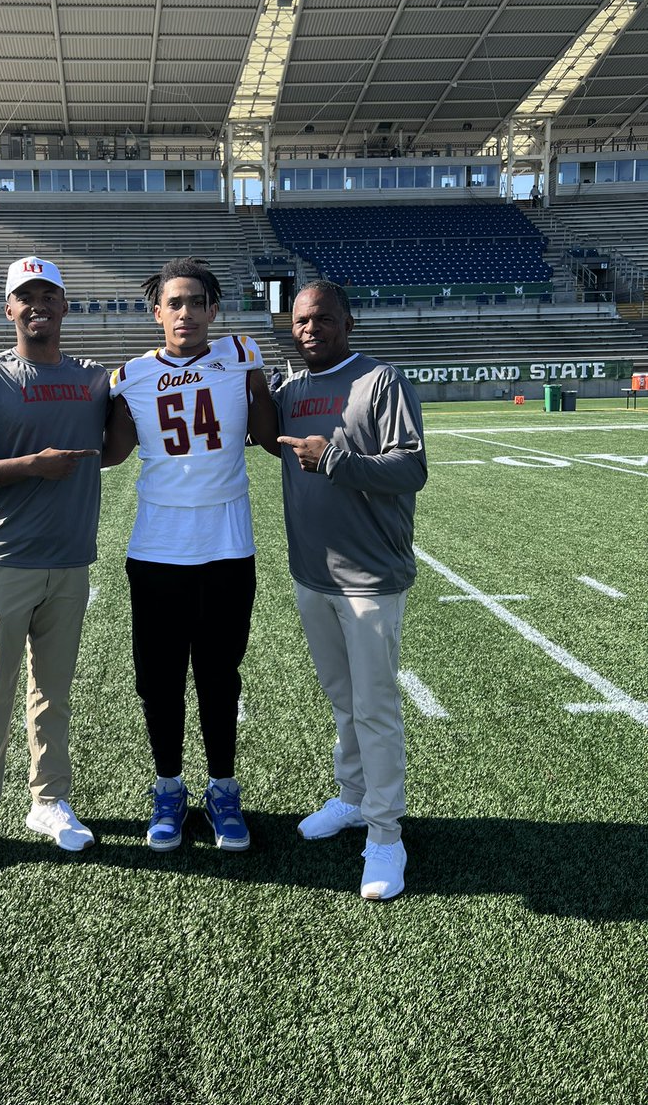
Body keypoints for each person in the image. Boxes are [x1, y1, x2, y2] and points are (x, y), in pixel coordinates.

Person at [0, 255, 109, 887]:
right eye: (23, 296)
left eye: (47, 295)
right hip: (2, 562)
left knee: (52, 697)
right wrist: (30, 465)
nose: (36, 305)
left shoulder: (92, 380)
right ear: (8, 309)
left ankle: (48, 801)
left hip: (70, 562)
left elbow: (113, 448)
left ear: (65, 306)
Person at [102, 256, 277, 852]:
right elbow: (112, 453)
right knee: (158, 680)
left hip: (228, 545)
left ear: (212, 310)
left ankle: (223, 789)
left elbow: (266, 434)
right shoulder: (130, 375)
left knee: (220, 675)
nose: (185, 312)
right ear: (157, 314)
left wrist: (258, 382)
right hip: (157, 548)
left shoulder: (241, 355)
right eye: (173, 303)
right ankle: (169, 788)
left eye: (194, 302)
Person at [272, 280, 426, 900]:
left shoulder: (380, 381)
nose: (311, 329)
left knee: (376, 708)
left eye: (324, 319)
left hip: (370, 578)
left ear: (348, 323)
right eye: (302, 320)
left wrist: (335, 457)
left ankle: (387, 836)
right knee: (343, 701)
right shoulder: (292, 389)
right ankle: (355, 798)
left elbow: (412, 468)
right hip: (313, 573)